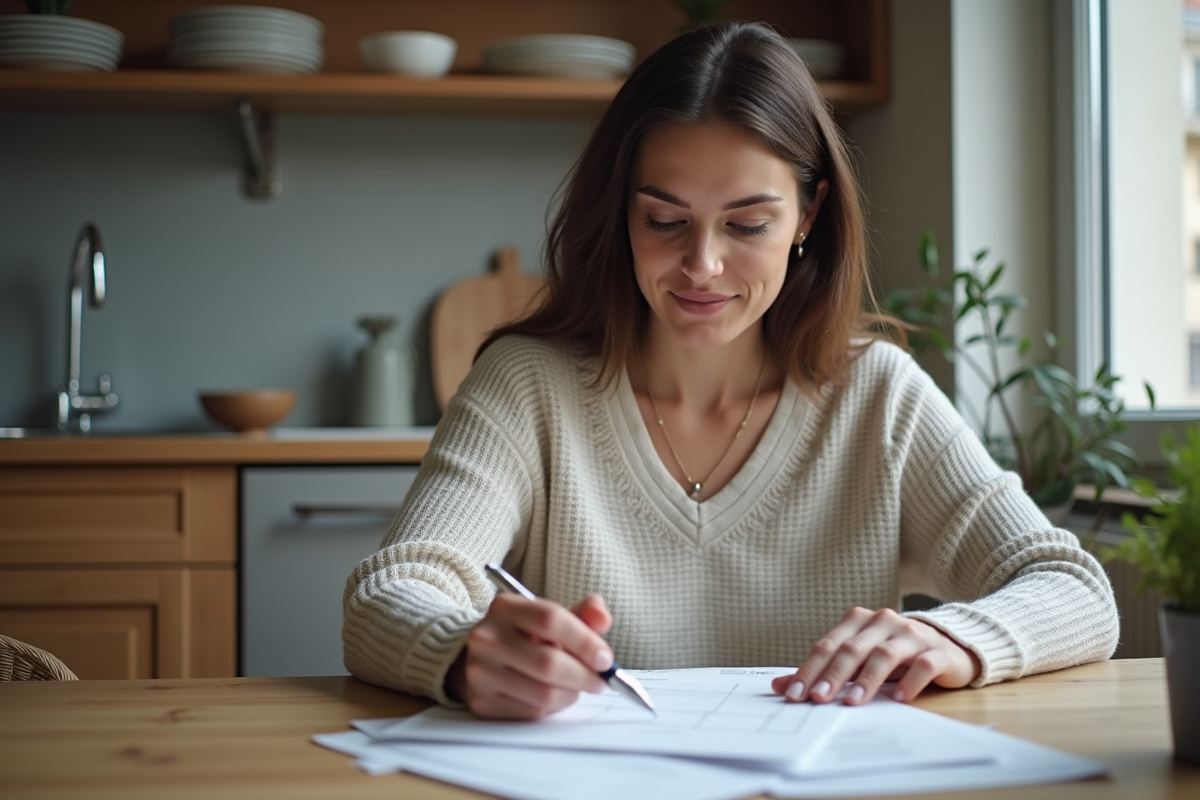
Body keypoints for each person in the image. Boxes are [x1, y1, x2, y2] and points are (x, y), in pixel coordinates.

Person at [342, 21, 1118, 721]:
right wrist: (463, 651)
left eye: (747, 224)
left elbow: (1076, 590)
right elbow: (387, 593)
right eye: (664, 220)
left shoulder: (880, 397)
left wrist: (949, 638)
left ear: (808, 216)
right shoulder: (527, 385)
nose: (702, 266)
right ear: (621, 213)